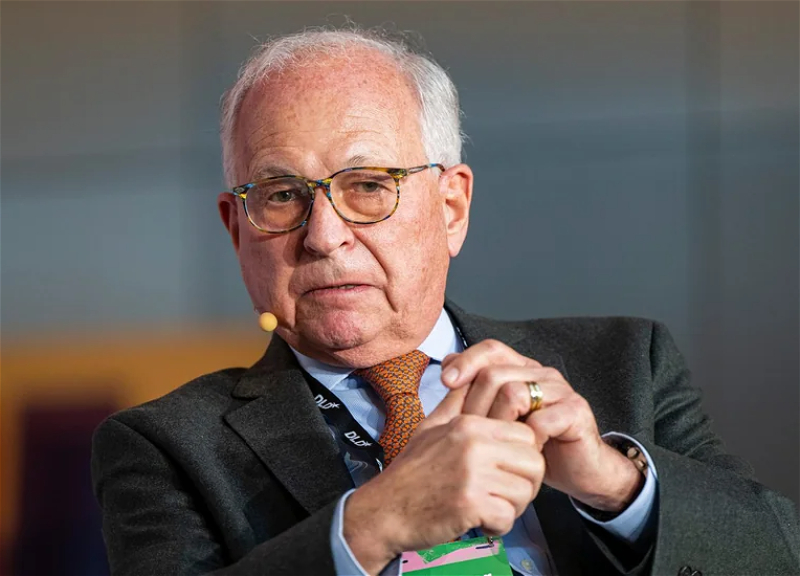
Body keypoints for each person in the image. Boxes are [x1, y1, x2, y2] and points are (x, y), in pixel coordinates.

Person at [91, 27, 799, 576]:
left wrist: (615, 486)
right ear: (236, 228)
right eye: (281, 195)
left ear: (451, 208)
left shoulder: (624, 362)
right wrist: (372, 525)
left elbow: (777, 556)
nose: (325, 236)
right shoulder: (167, 445)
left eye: (369, 185)